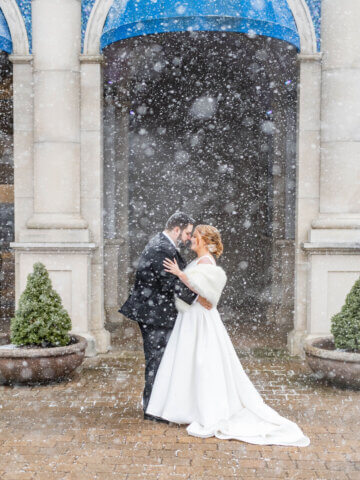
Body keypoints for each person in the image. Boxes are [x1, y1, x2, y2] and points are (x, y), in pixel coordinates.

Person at [146, 225, 310, 446]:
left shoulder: (206, 262)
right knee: (191, 361)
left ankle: (200, 408)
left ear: (205, 240)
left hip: (200, 320)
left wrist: (180, 275)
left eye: (195, 237)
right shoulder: (199, 261)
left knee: (201, 361)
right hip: (192, 317)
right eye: (192, 236)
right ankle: (186, 406)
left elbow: (205, 297)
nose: (191, 239)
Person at [119, 212, 212, 421]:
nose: (189, 238)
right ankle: (152, 410)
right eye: (188, 233)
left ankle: (155, 404)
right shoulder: (162, 248)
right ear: (176, 229)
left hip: (156, 311)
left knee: (159, 359)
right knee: (156, 359)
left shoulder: (163, 244)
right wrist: (198, 297)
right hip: (154, 314)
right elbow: (170, 283)